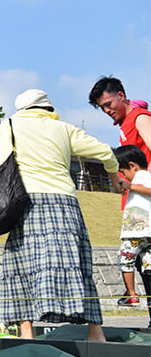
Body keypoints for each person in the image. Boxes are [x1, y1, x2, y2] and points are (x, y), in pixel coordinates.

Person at [0, 89, 117, 341]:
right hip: (65, 204)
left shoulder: (9, 124)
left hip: (26, 202)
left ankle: (26, 332)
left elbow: (0, 165)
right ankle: (95, 333)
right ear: (47, 108)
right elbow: (105, 151)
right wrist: (114, 175)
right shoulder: (64, 129)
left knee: (21, 264)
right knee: (78, 264)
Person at [88, 76, 151, 304]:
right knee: (144, 263)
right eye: (102, 107)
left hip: (146, 204)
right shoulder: (124, 123)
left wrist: (143, 182)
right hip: (137, 203)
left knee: (141, 260)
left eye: (108, 104)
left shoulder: (139, 117)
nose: (106, 110)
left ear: (121, 96)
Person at [114, 144, 151, 325]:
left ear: (133, 166)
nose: (123, 176)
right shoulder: (139, 180)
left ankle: (132, 293)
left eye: (123, 171)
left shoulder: (143, 177)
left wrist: (130, 185)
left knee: (126, 261)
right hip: (148, 234)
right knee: (147, 266)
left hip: (135, 231)